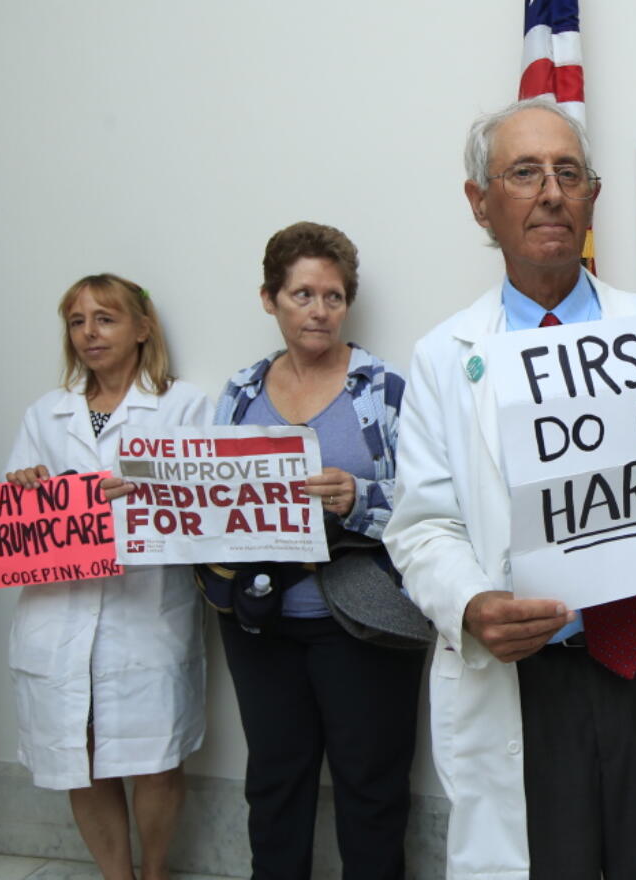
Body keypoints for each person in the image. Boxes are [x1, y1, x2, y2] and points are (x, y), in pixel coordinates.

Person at [382, 99, 636, 879]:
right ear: (480, 203)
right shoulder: (442, 359)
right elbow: (421, 526)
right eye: (524, 173)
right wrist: (469, 605)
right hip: (531, 682)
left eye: (569, 172)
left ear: (593, 196)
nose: (551, 192)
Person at [213, 221, 424, 880]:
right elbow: (209, 494)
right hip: (260, 621)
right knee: (273, 785)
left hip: (363, 619)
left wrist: (356, 495)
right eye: (302, 294)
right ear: (269, 298)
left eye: (333, 297)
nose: (319, 310)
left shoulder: (383, 389)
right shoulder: (240, 392)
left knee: (371, 788)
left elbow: (431, 505)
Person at [3, 274, 212, 880]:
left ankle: (155, 873)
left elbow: (207, 511)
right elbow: (12, 519)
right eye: (77, 321)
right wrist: (30, 492)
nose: (89, 333)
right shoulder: (47, 413)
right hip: (60, 613)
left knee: (155, 756)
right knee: (81, 754)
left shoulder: (184, 406)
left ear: (142, 329)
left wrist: (139, 496)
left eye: (105, 318)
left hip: (144, 610)